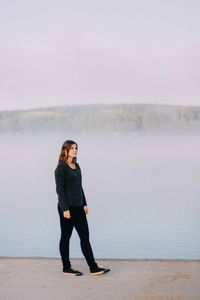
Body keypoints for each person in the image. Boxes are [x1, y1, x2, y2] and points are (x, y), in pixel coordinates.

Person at [54, 139, 110, 276]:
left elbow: (79, 187)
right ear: (65, 150)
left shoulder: (76, 166)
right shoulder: (61, 168)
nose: (75, 150)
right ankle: (66, 267)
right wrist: (65, 209)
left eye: (76, 148)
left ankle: (93, 267)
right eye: (72, 148)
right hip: (67, 209)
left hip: (79, 208)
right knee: (65, 237)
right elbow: (60, 190)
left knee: (85, 237)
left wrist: (84, 203)